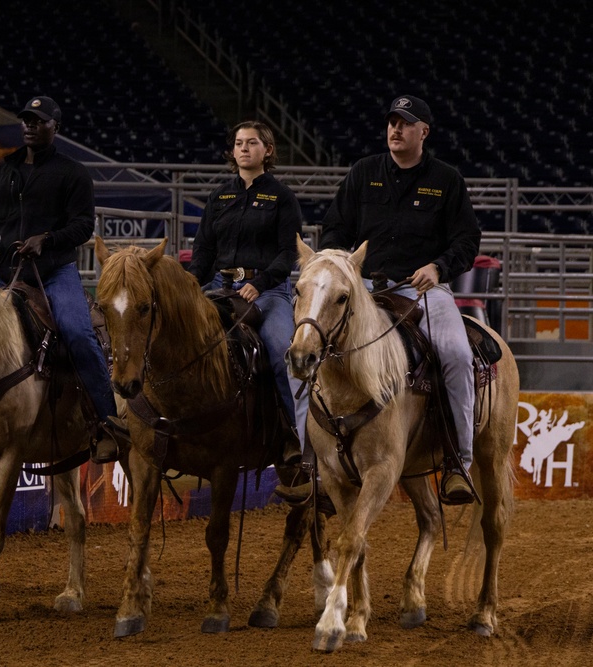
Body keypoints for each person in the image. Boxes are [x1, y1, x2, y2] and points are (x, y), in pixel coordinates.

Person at [312, 94, 480, 505]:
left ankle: (459, 460)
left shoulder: (446, 180)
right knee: (310, 346)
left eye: (405, 124)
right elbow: (334, 229)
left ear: (424, 131)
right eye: (392, 122)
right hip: (364, 289)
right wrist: (339, 265)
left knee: (456, 353)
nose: (396, 130)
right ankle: (310, 463)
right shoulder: (363, 173)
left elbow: (466, 239)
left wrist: (438, 267)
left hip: (422, 289)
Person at [0, 95, 120, 463]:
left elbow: (84, 225)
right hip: (6, 274)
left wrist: (46, 240)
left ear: (56, 127)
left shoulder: (72, 172)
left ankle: (107, 422)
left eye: (38, 121)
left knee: (79, 334)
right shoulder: (2, 170)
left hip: (54, 272)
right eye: (26, 120)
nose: (30, 126)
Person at [187, 120, 308, 469]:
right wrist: (189, 285)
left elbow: (290, 252)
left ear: (267, 151)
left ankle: (295, 434)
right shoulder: (219, 196)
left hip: (269, 293)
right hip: (220, 289)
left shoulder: (282, 197)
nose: (243, 148)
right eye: (238, 143)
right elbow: (204, 253)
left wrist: (263, 281)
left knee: (283, 353)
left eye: (251, 143)